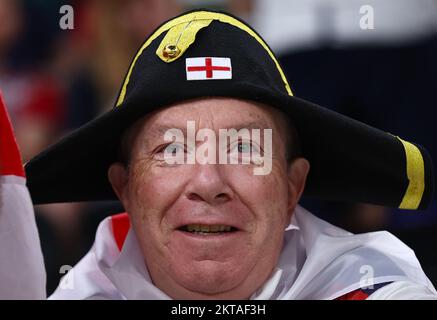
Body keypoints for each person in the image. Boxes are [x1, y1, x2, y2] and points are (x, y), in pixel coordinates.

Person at [2, 10, 436, 299]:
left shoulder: (375, 290)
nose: (208, 184)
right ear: (124, 188)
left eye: (246, 149)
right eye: (172, 150)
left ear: (293, 186)